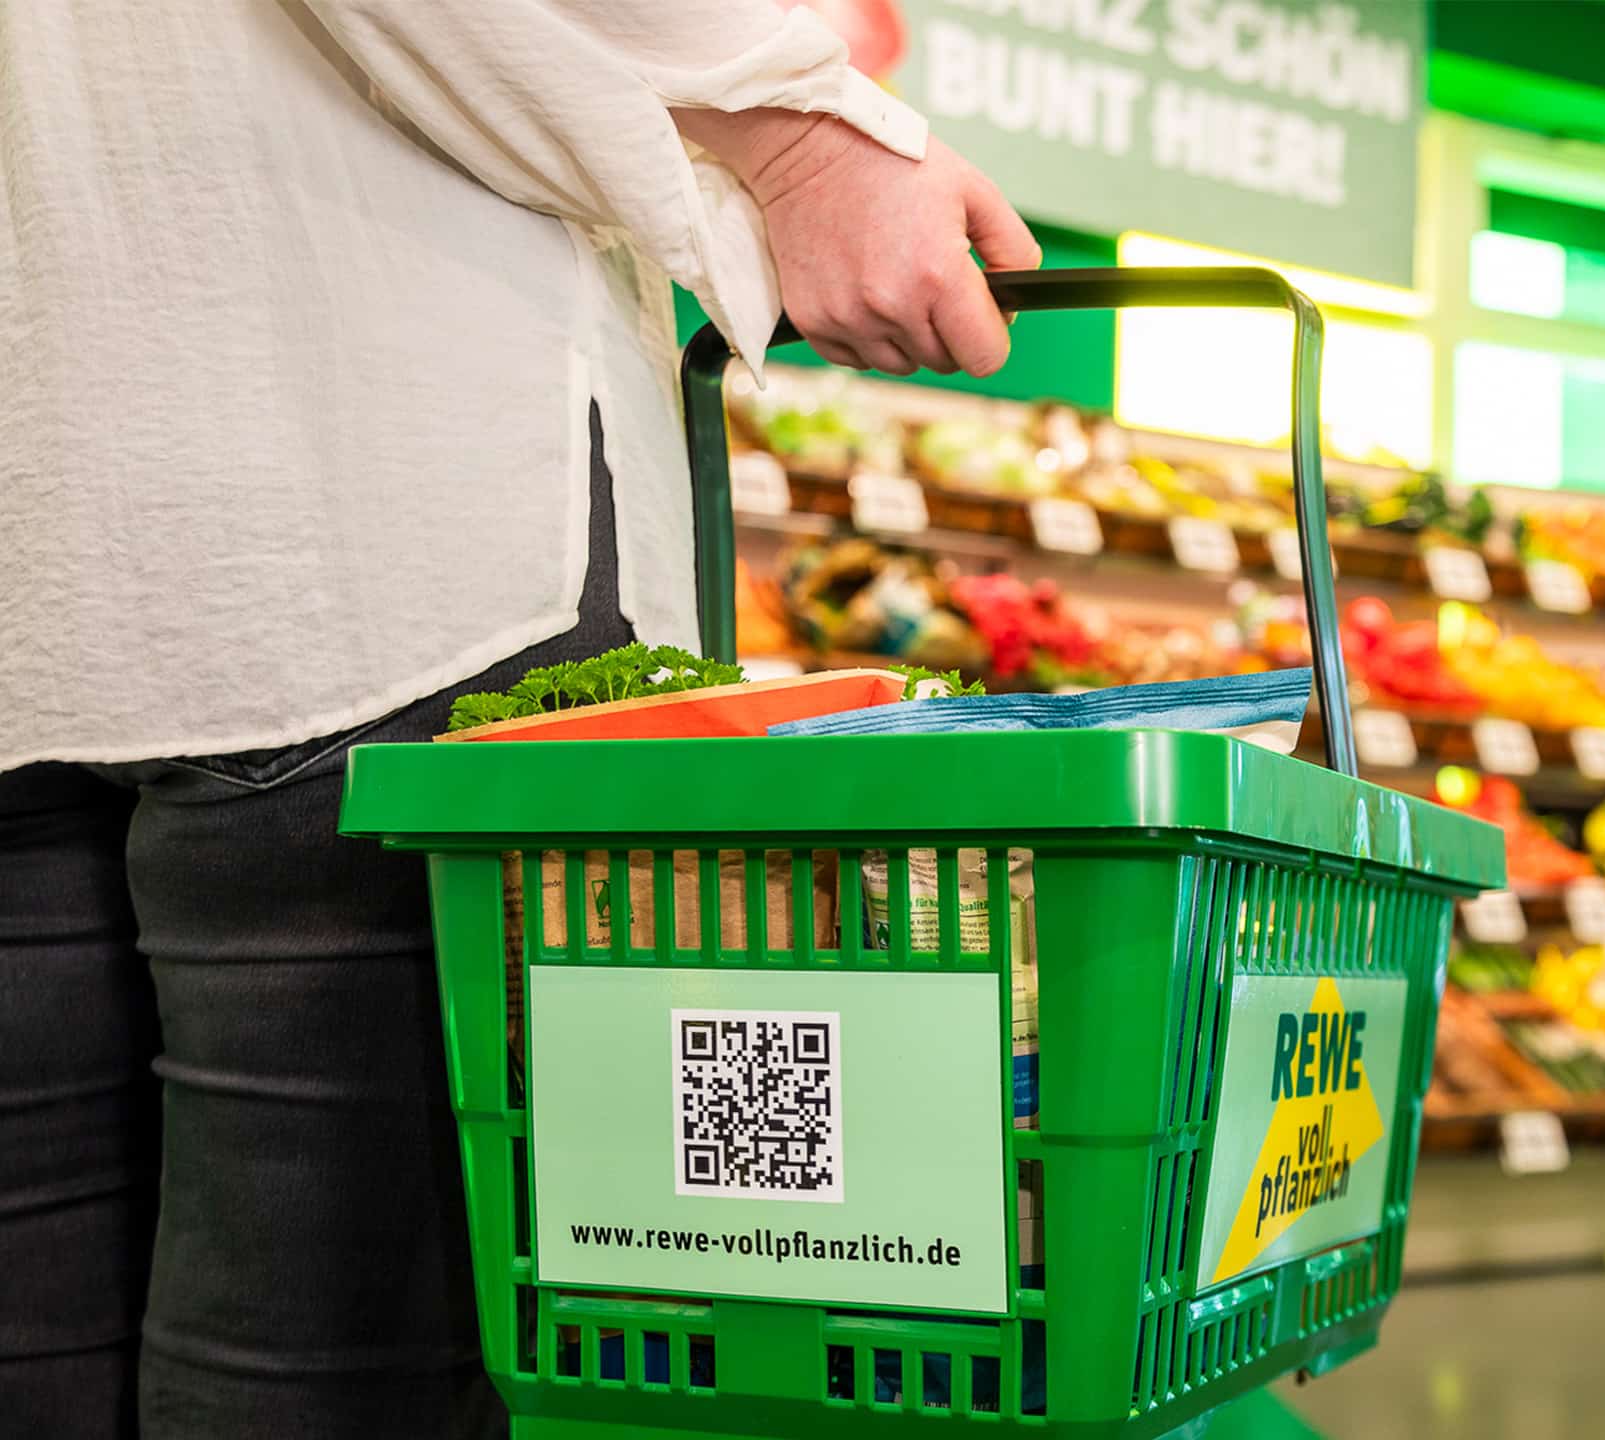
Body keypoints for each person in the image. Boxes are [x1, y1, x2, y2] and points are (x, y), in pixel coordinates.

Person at [0, 3, 1035, 1435]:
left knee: (34, 1341)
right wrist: (802, 135)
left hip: (46, 557)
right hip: (376, 528)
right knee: (339, 1383)